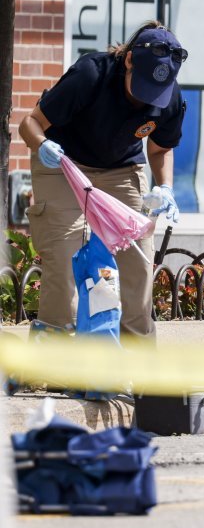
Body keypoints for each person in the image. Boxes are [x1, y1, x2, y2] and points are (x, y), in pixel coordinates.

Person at [19, 21, 186, 345]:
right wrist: (41, 145)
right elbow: (31, 123)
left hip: (121, 168)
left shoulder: (170, 98)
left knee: (138, 255)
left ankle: (137, 355)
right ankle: (55, 356)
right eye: (140, 86)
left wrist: (164, 187)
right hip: (63, 162)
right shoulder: (90, 75)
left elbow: (161, 147)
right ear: (127, 61)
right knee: (65, 254)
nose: (145, 100)